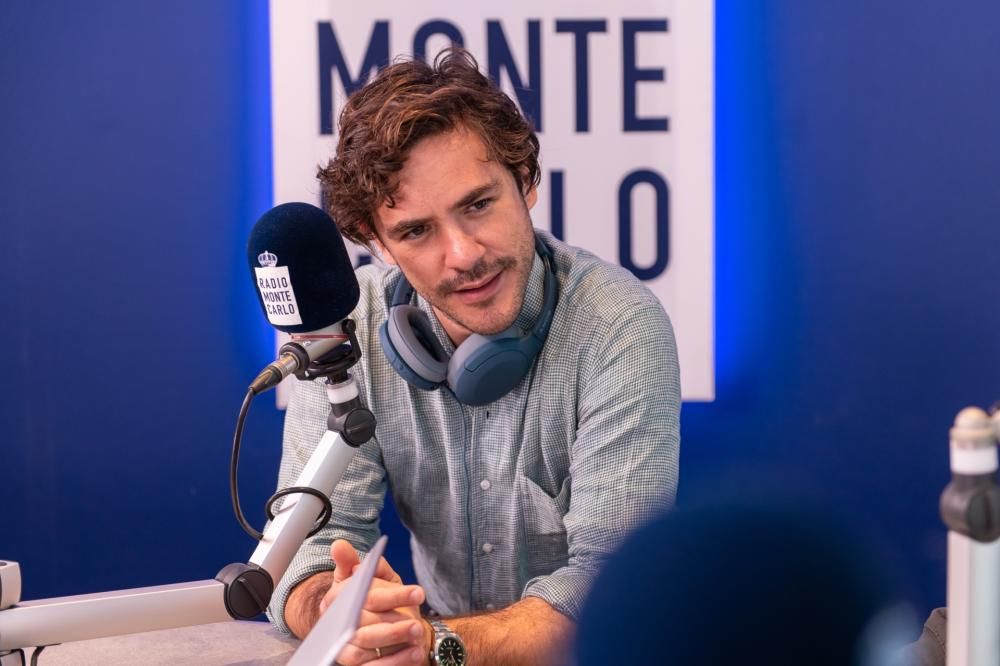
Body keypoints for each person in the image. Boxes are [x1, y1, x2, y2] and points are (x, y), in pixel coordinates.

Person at [266, 47, 681, 666]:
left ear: (527, 182)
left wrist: (436, 645)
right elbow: (303, 553)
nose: (463, 255)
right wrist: (336, 608)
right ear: (378, 244)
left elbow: (611, 592)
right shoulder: (345, 336)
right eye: (416, 231)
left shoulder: (619, 327)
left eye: (478, 204)